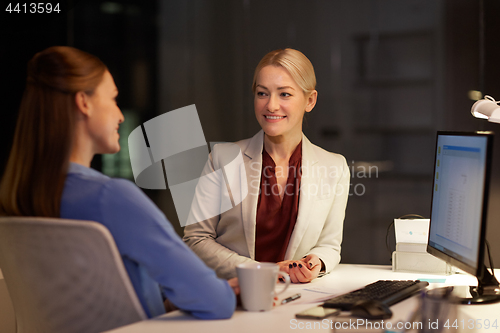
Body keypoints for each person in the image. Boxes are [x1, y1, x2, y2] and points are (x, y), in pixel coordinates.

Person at [0, 46, 236, 319]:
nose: (120, 115)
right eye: (112, 99)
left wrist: (169, 304)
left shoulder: (18, 195)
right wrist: (222, 292)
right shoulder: (111, 197)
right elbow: (218, 302)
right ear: (83, 103)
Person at [183, 48, 350, 283]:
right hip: (234, 296)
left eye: (284, 94)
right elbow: (196, 240)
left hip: (294, 297)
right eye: (262, 93)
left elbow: (330, 246)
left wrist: (315, 262)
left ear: (310, 100)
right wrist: (261, 272)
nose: (271, 105)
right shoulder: (222, 158)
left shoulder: (335, 166)